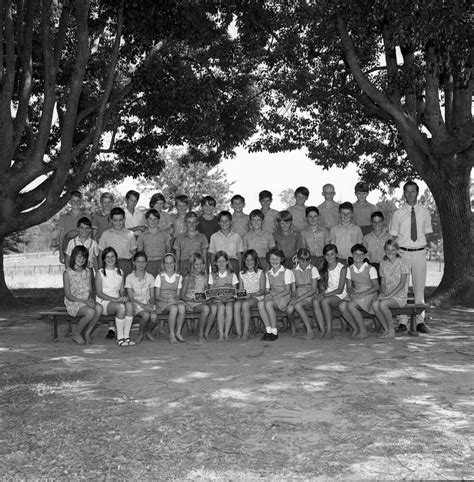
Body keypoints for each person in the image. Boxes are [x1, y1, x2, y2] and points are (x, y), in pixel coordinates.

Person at [389, 181, 432, 333]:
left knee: (419, 288)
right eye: (407, 191)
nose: (410, 194)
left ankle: (420, 321)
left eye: (413, 191)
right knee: (402, 288)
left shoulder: (425, 212)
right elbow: (393, 237)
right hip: (403, 253)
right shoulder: (398, 213)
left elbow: (427, 233)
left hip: (419, 252)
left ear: (417, 193)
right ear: (403, 193)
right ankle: (402, 321)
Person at [63, 245, 103, 345]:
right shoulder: (67, 273)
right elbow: (68, 295)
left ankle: (87, 333)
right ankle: (76, 333)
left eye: (84, 257)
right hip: (74, 302)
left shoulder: (88, 271)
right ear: (74, 256)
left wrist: (90, 300)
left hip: (86, 300)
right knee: (90, 312)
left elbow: (90, 289)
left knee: (99, 308)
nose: (82, 259)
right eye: (79, 256)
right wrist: (85, 302)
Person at [95, 247, 135, 346]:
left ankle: (127, 337)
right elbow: (99, 293)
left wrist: (123, 298)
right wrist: (116, 300)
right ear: (104, 259)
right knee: (121, 307)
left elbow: (121, 290)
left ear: (116, 258)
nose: (110, 259)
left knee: (129, 306)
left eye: (113, 256)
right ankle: (120, 338)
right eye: (107, 257)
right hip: (103, 302)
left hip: (116, 300)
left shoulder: (120, 272)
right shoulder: (100, 273)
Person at [339, 244, 379, 339]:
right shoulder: (349, 269)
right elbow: (349, 286)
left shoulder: (370, 268)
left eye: (361, 254)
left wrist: (361, 294)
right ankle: (356, 328)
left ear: (365, 256)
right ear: (352, 255)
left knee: (351, 305)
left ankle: (363, 331)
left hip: (369, 293)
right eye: (356, 254)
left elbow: (376, 287)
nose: (358, 256)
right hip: (357, 292)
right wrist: (351, 293)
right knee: (341, 306)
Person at [372, 240, 410, 338]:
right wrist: (382, 293)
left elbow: (402, 284)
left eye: (393, 250)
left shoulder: (403, 263)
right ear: (384, 250)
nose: (390, 252)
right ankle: (386, 329)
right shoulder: (383, 264)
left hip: (399, 296)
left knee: (383, 304)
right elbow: (383, 283)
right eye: (387, 250)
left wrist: (389, 296)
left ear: (397, 250)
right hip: (387, 295)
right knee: (375, 304)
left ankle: (391, 330)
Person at [258, 248, 294, 341]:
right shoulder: (268, 273)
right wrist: (267, 295)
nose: (274, 261)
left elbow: (287, 290)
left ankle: (274, 331)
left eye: (277, 258)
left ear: (281, 259)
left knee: (268, 303)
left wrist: (272, 297)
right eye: (272, 259)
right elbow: (267, 290)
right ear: (269, 260)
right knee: (260, 303)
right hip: (273, 296)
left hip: (283, 297)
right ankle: (268, 330)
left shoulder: (287, 272)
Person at [287, 248, 323, 340]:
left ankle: (309, 331)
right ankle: (293, 326)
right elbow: (294, 289)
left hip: (310, 295)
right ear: (298, 259)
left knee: (297, 305)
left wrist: (298, 299)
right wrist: (294, 298)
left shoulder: (313, 269)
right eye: (302, 261)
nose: (305, 263)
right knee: (290, 308)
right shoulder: (293, 271)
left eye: (308, 260)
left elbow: (314, 289)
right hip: (299, 294)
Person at [313, 244, 347, 339]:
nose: (330, 257)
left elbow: (340, 289)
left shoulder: (342, 268)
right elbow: (323, 287)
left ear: (336, 254)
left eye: (332, 254)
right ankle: (322, 329)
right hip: (328, 292)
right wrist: (320, 294)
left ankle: (329, 331)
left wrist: (324, 295)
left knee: (325, 301)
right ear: (324, 256)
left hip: (340, 294)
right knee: (315, 301)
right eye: (327, 254)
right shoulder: (323, 268)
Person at [181, 253, 216, 343]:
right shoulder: (187, 277)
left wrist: (208, 297)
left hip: (201, 301)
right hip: (190, 302)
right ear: (192, 265)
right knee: (205, 309)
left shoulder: (205, 277)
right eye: (196, 264)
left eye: (201, 264)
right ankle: (200, 335)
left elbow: (206, 292)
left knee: (213, 307)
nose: (199, 266)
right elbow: (182, 296)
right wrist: (192, 300)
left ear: (204, 264)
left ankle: (205, 332)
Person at [205, 251, 239, 342]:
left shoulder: (232, 275)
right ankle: (220, 334)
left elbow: (235, 292)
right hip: (217, 300)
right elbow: (210, 292)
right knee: (220, 308)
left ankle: (226, 334)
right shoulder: (212, 275)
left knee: (228, 308)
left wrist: (229, 296)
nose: (221, 264)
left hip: (229, 299)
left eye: (223, 261)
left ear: (227, 262)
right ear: (215, 263)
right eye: (219, 261)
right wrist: (217, 297)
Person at [125, 251, 157, 344]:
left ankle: (148, 332)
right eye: (138, 262)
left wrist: (151, 303)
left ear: (146, 263)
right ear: (133, 262)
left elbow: (152, 295)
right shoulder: (129, 277)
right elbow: (131, 297)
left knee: (154, 317)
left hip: (147, 302)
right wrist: (143, 306)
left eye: (143, 262)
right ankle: (140, 334)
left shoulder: (150, 277)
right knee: (146, 315)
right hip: (136, 303)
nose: (141, 264)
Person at [234, 249, 265, 341]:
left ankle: (245, 333)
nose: (249, 262)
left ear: (255, 261)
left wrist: (251, 295)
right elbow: (241, 290)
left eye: (251, 260)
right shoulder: (241, 273)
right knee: (236, 305)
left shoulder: (260, 273)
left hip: (257, 297)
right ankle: (239, 333)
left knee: (245, 304)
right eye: (247, 260)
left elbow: (263, 290)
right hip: (246, 297)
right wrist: (238, 294)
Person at [155, 253, 187, 344]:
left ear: (175, 264)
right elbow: (157, 296)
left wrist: (175, 300)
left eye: (171, 263)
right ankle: (171, 334)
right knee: (174, 308)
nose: (169, 265)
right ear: (163, 264)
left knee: (181, 307)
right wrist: (167, 300)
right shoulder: (160, 277)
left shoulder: (179, 277)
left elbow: (178, 295)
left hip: (173, 300)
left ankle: (178, 332)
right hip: (162, 302)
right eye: (167, 263)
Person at [98, 207, 137, 279]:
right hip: (110, 265)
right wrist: (100, 270)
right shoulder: (105, 234)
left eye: (121, 220)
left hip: (126, 265)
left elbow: (134, 253)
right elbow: (101, 254)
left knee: (125, 288)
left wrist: (135, 269)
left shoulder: (130, 234)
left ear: (124, 220)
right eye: (115, 220)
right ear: (111, 220)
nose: (118, 223)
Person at [58, 190, 91, 264]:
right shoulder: (64, 217)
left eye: (78, 200)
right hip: (68, 251)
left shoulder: (86, 216)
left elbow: (90, 234)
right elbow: (61, 236)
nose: (76, 203)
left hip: (84, 250)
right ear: (69, 202)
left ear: (81, 201)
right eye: (73, 200)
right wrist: (61, 253)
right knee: (70, 272)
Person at [136, 209, 172, 277]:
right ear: (146, 220)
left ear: (158, 220)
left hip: (161, 263)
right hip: (147, 264)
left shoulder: (165, 234)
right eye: (150, 219)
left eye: (155, 219)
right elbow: (139, 253)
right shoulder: (142, 236)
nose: (153, 221)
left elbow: (168, 251)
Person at [173, 211, 208, 276]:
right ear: (185, 223)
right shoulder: (179, 238)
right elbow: (177, 258)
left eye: (193, 222)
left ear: (197, 223)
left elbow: (204, 257)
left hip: (198, 266)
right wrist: (176, 270)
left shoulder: (202, 237)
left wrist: (205, 270)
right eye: (189, 222)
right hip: (184, 267)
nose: (191, 224)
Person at [363, 211, 391, 275]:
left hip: (385, 266)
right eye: (374, 222)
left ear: (383, 222)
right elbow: (365, 255)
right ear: (371, 223)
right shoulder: (366, 238)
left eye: (379, 222)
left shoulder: (389, 237)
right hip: (371, 267)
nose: (377, 224)